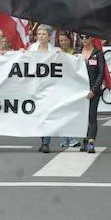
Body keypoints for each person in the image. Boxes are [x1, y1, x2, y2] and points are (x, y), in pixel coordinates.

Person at [30, 24, 66, 152]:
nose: (41, 36)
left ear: (49, 37)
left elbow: (66, 62)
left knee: (48, 114)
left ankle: (46, 142)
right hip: (36, 87)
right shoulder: (32, 49)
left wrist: (62, 54)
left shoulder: (54, 51)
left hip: (50, 87)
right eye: (39, 34)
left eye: (44, 34)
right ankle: (42, 140)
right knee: (39, 116)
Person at [78, 34, 106, 154]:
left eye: (87, 37)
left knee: (91, 116)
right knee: (81, 117)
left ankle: (91, 142)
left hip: (93, 91)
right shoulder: (77, 53)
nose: (84, 39)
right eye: (82, 37)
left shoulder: (98, 53)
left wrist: (93, 90)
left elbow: (101, 73)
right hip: (79, 91)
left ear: (91, 39)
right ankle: (84, 140)